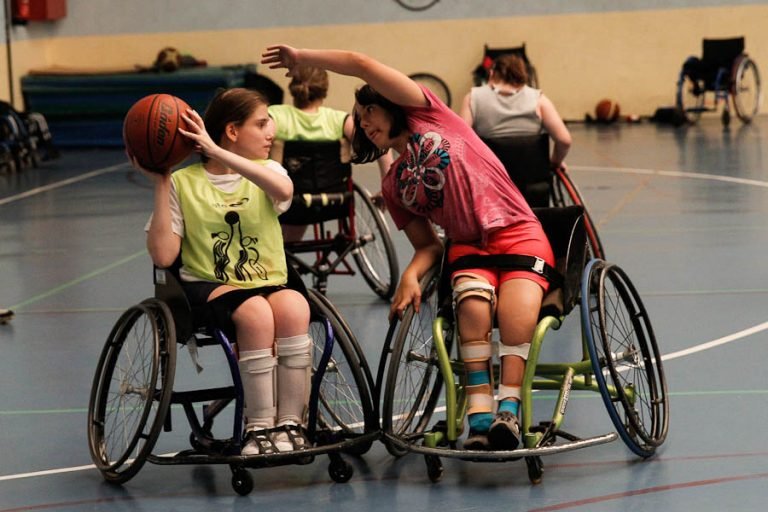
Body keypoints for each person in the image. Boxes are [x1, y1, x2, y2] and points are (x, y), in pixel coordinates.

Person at [262, 45, 555, 451]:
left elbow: (361, 63)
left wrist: (303, 57)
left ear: (391, 106)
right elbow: (428, 246)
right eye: (359, 120)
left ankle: (510, 406)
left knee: (514, 311)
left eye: (369, 113)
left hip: (518, 231)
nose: (364, 124)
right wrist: (411, 275)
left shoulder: (428, 113)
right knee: (472, 306)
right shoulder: (393, 185)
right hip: (468, 247)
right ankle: (481, 415)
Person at [135, 87, 312, 456]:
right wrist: (162, 180)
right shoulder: (184, 183)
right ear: (232, 131)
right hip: (212, 286)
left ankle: (292, 423)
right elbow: (164, 255)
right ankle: (259, 425)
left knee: (295, 307)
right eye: (261, 123)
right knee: (256, 314)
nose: (271, 131)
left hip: (269, 280)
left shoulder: (269, 171)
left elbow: (283, 190)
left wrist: (216, 152)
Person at [268, 64, 392, 241]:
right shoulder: (339, 120)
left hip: (288, 201)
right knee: (305, 196)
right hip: (334, 200)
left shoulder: (275, 116)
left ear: (293, 87)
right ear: (324, 90)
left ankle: (282, 250)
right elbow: (378, 147)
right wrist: (386, 186)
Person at [459, 53, 572, 172]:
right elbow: (564, 140)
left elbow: (460, 139)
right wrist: (555, 162)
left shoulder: (473, 97)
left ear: (492, 73)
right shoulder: (538, 99)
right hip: (532, 177)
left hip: (490, 177)